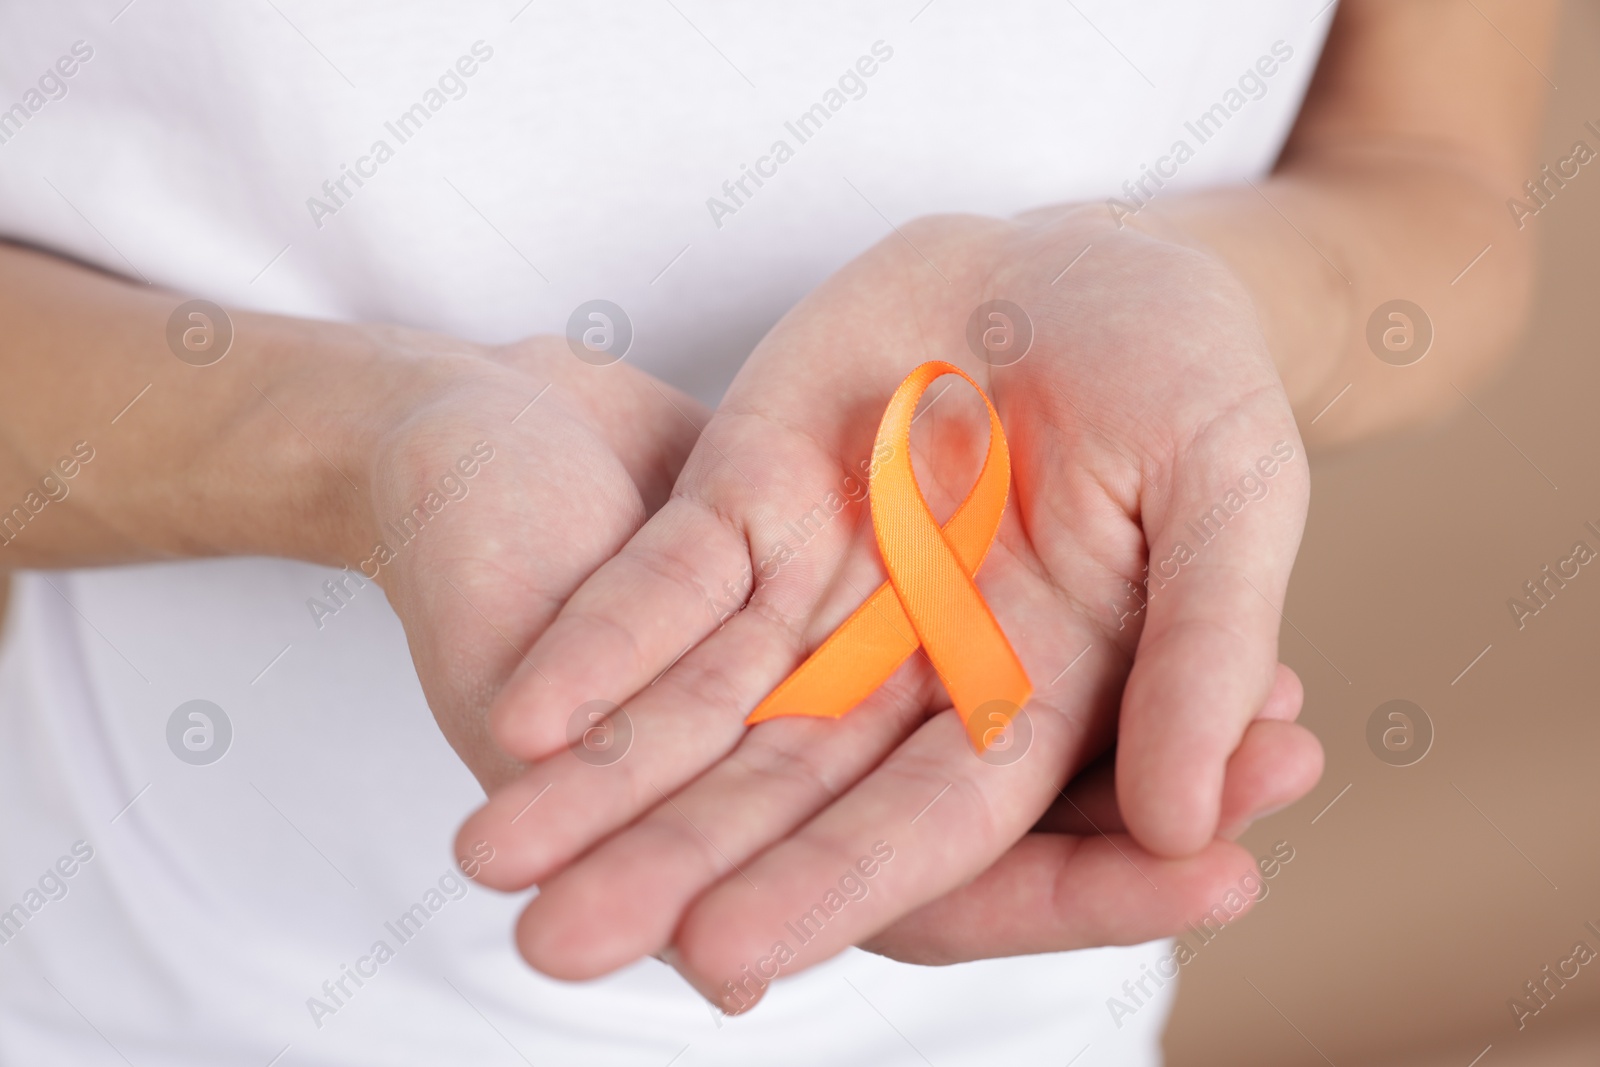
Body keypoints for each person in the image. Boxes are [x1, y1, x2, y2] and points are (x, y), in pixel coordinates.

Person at [0, 1, 1551, 1063]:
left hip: (1033, 1023)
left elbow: (1439, 184)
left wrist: (1202, 297)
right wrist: (357, 444)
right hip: (139, 990)